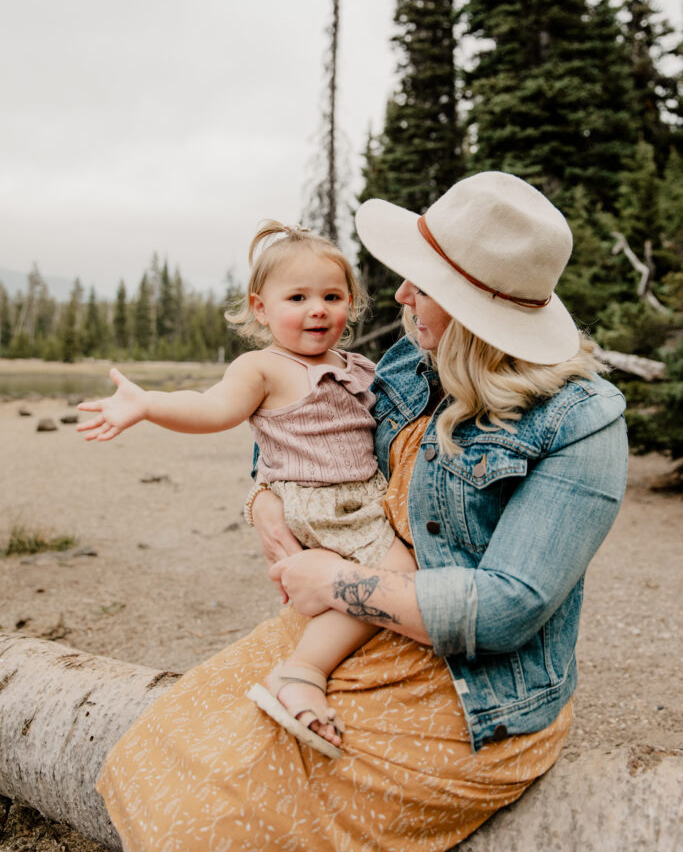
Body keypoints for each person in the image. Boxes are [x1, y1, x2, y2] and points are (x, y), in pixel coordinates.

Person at [92, 173, 628, 852]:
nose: (401, 295)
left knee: (225, 819)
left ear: (470, 310)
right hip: (352, 626)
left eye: (423, 285)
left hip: (468, 690)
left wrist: (331, 584)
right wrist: (260, 500)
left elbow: (506, 609)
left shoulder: (582, 424)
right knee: (165, 749)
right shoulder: (413, 354)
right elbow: (309, 433)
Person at [77, 220, 415, 758]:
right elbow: (211, 409)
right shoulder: (262, 367)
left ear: (351, 302)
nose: (317, 309)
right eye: (297, 297)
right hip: (318, 503)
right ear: (260, 307)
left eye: (332, 296)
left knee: (391, 575)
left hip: (364, 497)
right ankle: (302, 672)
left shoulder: (360, 366)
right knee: (392, 577)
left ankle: (329, 663)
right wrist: (148, 405)